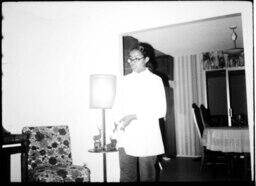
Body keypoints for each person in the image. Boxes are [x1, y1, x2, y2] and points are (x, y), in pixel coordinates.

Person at [112, 42, 167, 182]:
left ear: (146, 59)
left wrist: (134, 116)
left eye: (136, 58)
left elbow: (161, 110)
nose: (132, 62)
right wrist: (116, 127)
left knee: (147, 175)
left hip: (147, 134)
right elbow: (118, 106)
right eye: (130, 58)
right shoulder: (123, 81)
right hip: (126, 134)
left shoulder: (155, 81)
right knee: (126, 175)